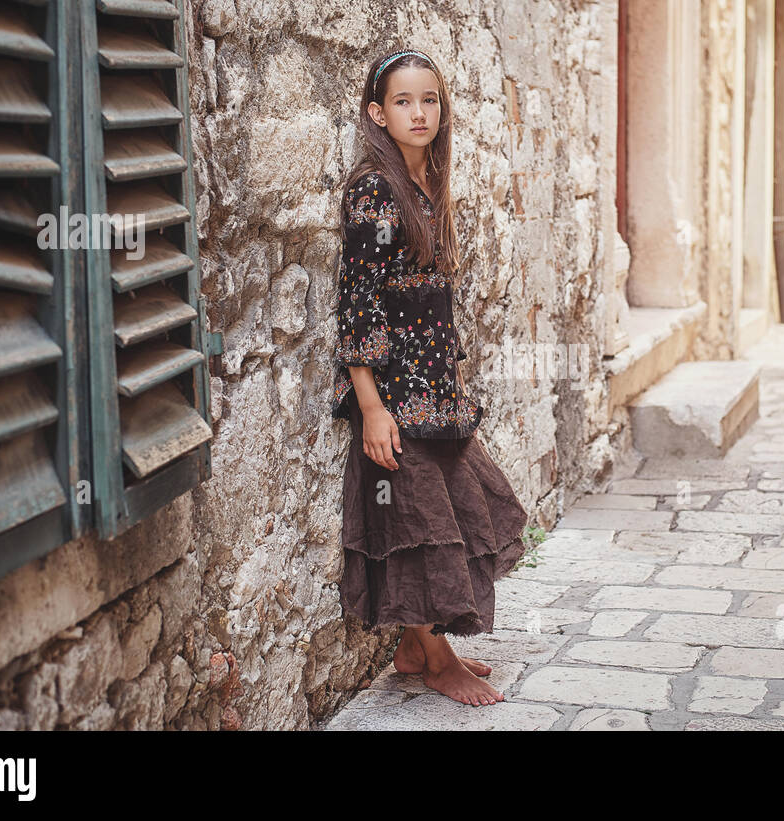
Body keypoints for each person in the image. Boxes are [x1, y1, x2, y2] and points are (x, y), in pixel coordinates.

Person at [331, 49, 530, 708]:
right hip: (393, 395)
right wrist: (371, 407)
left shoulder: (428, 183)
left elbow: (433, 296)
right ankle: (437, 660)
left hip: (437, 393)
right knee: (415, 525)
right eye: (403, 101)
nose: (419, 113)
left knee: (464, 508)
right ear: (377, 113)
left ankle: (415, 646)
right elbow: (357, 301)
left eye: (430, 100)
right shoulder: (374, 188)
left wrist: (456, 377)